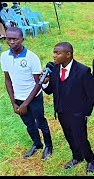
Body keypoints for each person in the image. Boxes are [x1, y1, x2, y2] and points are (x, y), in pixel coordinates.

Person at [42, 42, 94, 174]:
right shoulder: (55, 69)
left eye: (58, 53)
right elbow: (50, 90)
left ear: (68, 54)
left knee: (81, 137)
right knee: (69, 136)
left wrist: (85, 113)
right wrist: (45, 82)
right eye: (54, 52)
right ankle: (77, 157)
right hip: (61, 111)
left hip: (77, 113)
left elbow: (92, 94)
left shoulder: (83, 71)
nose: (54, 56)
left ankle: (90, 159)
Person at [0, 27, 53, 160]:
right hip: (18, 98)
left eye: (15, 39)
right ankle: (37, 143)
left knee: (41, 122)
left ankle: (48, 146)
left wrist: (25, 104)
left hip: (33, 97)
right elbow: (7, 80)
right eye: (9, 39)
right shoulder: (4, 56)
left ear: (22, 39)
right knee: (29, 123)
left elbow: (38, 83)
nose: (12, 42)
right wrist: (14, 103)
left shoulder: (31, 57)